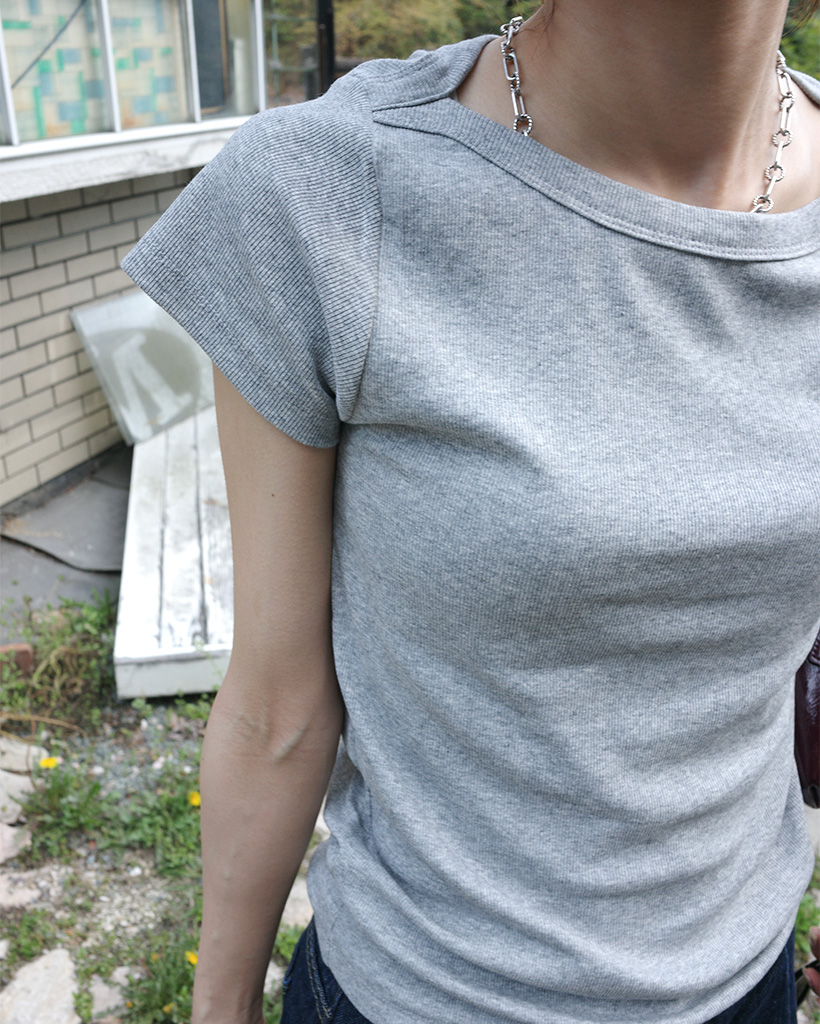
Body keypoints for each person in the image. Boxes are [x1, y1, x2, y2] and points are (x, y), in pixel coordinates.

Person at [121, 0, 820, 1021]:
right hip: (420, 994)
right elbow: (277, 707)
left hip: (749, 982)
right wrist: (220, 1008)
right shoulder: (329, 190)